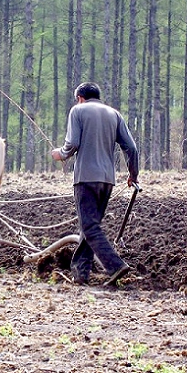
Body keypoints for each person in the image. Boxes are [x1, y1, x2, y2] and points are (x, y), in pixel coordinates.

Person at [51, 82, 139, 286]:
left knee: (89, 227)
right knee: (90, 227)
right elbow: (131, 148)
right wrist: (133, 175)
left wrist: (60, 154)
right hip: (107, 179)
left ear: (80, 97)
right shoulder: (114, 114)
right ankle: (81, 274)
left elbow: (72, 143)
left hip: (86, 178)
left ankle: (115, 265)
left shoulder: (78, 110)